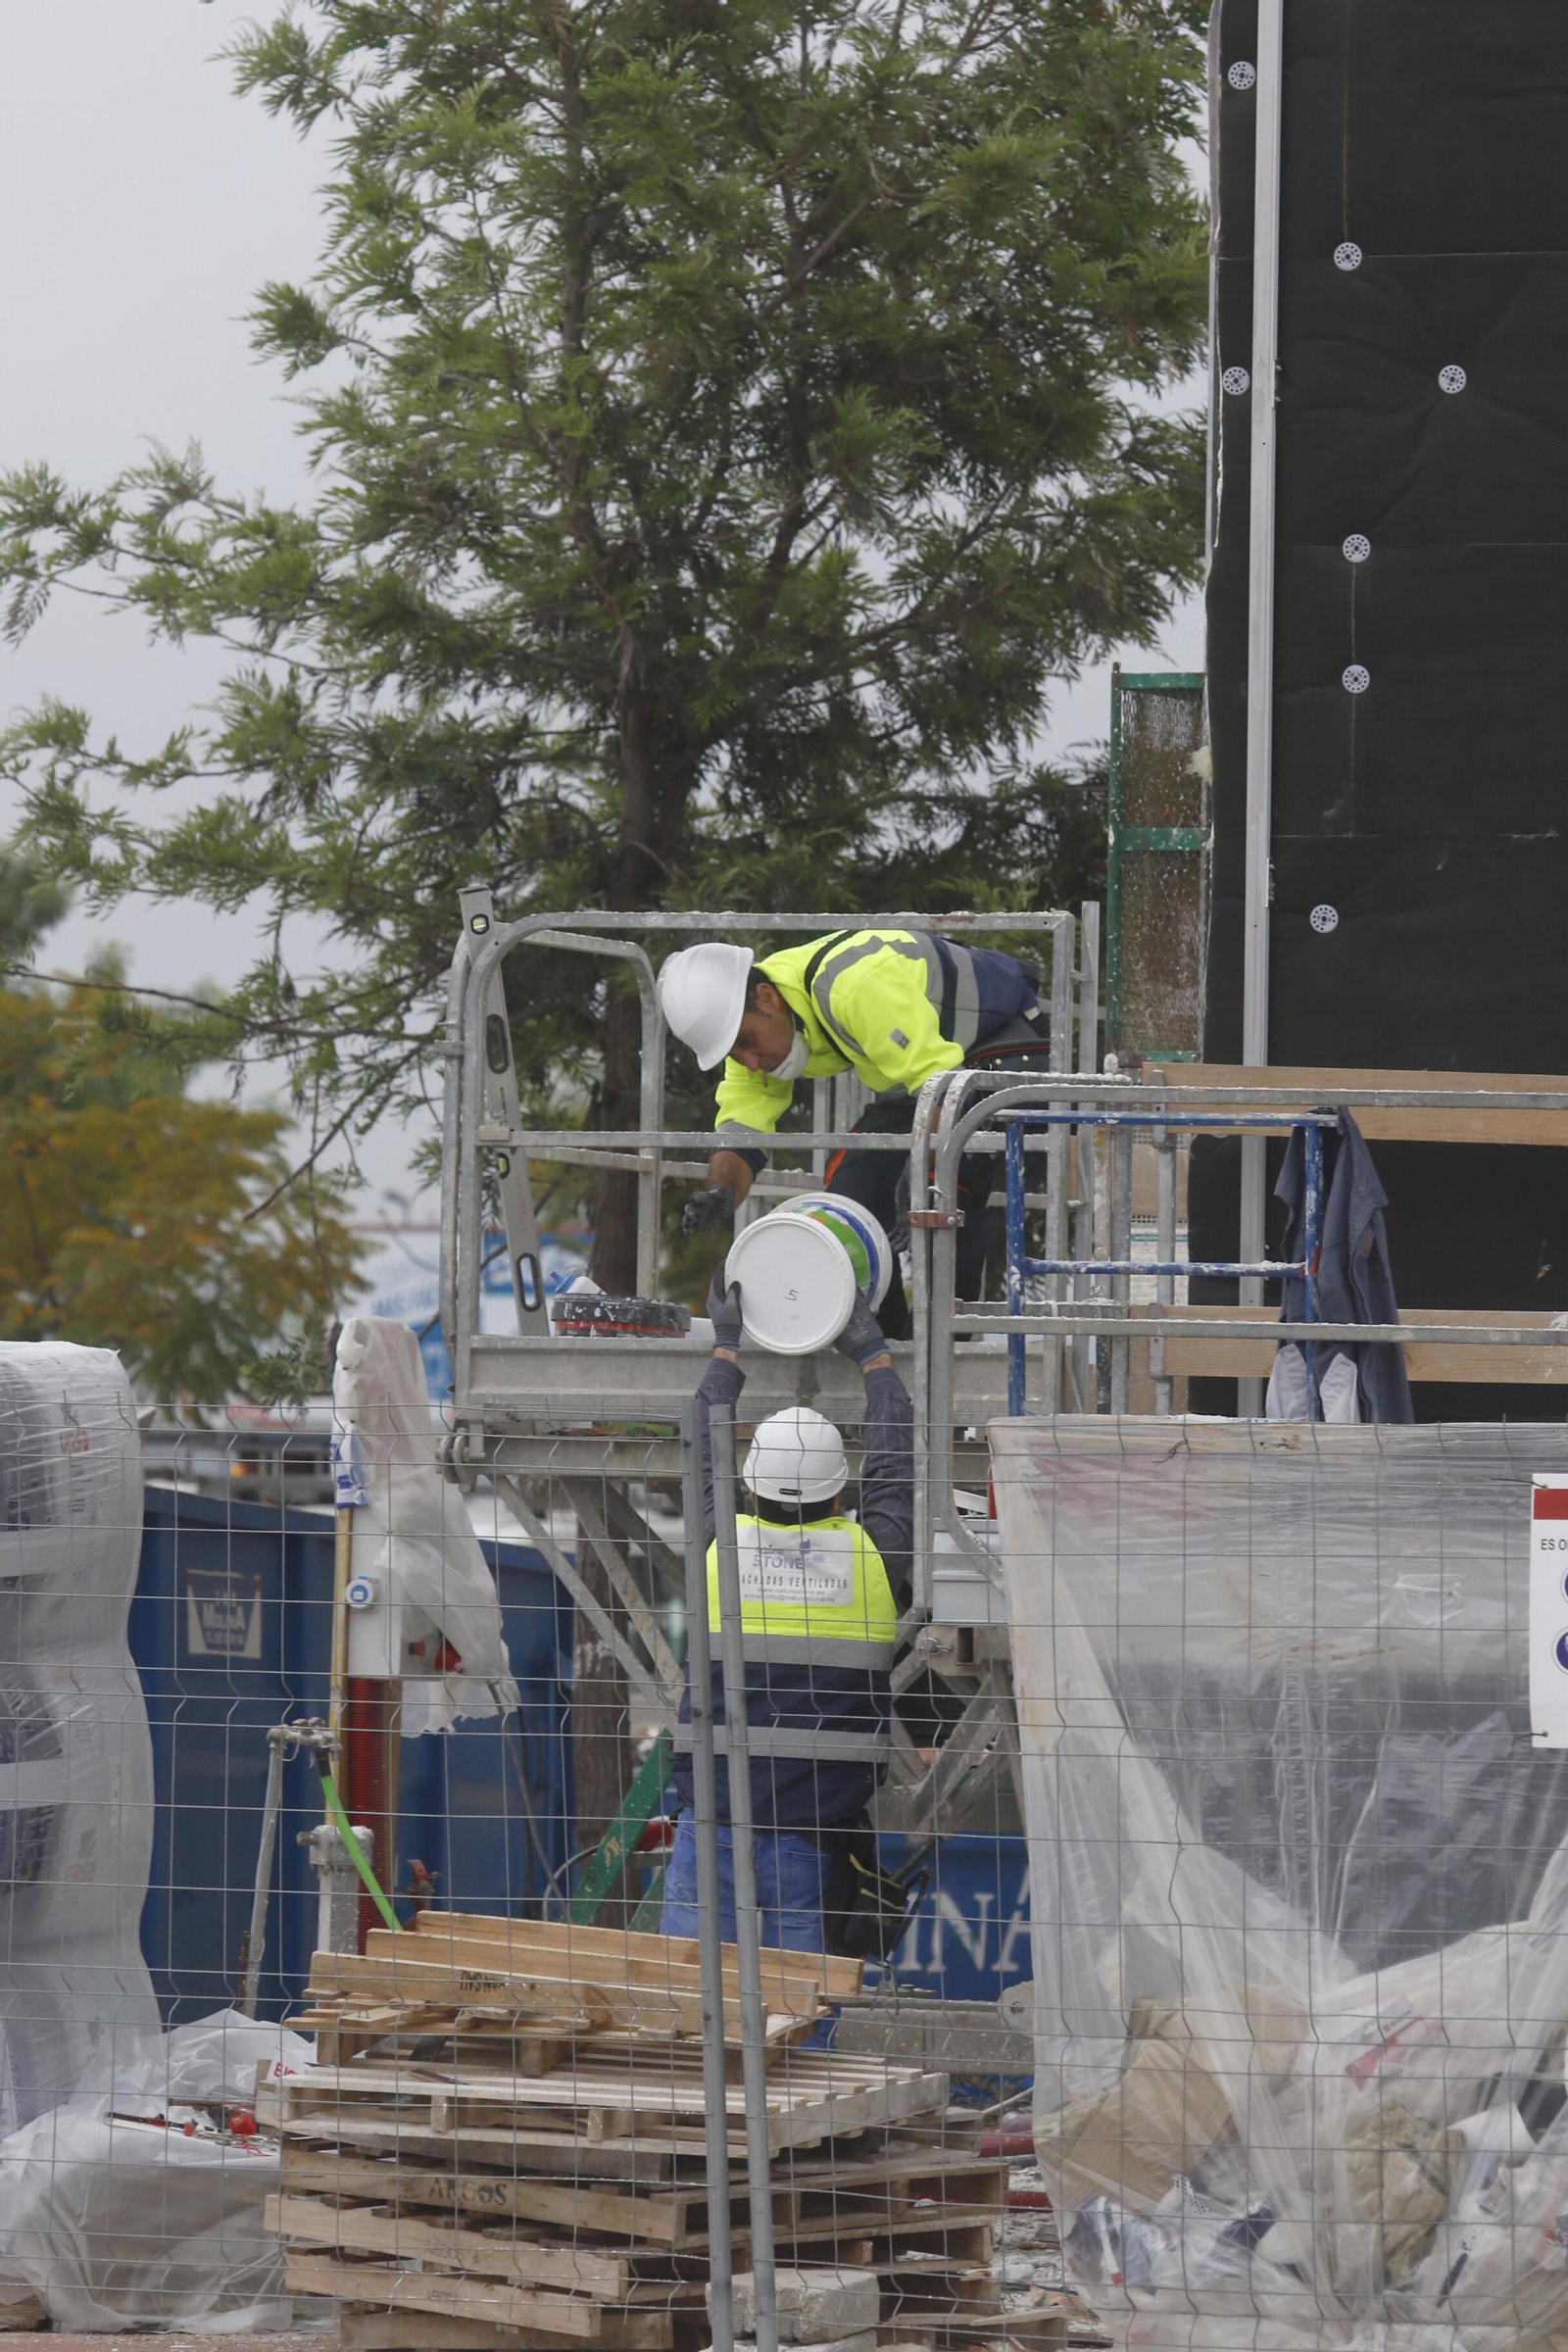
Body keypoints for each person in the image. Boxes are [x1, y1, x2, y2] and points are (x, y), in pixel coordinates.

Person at [660, 1269, 911, 1959]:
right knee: (799, 2008)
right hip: (812, 1833)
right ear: (839, 1497)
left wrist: (726, 1349)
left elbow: (701, 1446)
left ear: (747, 1488)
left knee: (691, 2004)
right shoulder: (874, 1557)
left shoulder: (719, 1549)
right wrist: (875, 1359)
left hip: (710, 1818)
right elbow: (895, 1468)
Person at [657, 928, 1052, 1337]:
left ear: (767, 997)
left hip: (999, 1048)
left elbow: (946, 1088)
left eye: (747, 1043)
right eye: (735, 1053)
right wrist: (722, 1190)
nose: (750, 1062)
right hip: (927, 1077)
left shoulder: (856, 987)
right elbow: (743, 1127)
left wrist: (925, 1173)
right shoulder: (755, 1023)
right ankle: (887, 1350)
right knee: (848, 1208)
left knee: (944, 1200)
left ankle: (949, 1353)